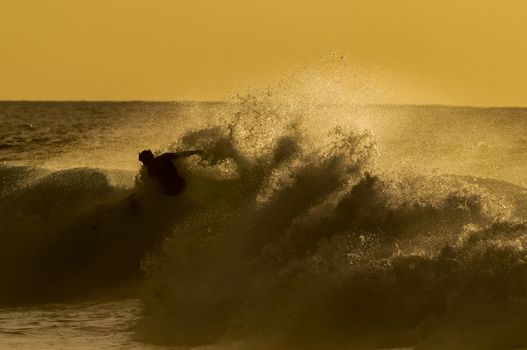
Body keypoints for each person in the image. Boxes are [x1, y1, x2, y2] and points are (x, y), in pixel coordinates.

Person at [138, 149, 202, 196]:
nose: (144, 164)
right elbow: (181, 154)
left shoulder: (151, 171)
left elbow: (181, 154)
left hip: (173, 190)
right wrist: (196, 152)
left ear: (148, 159)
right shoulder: (164, 157)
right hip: (181, 185)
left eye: (144, 161)